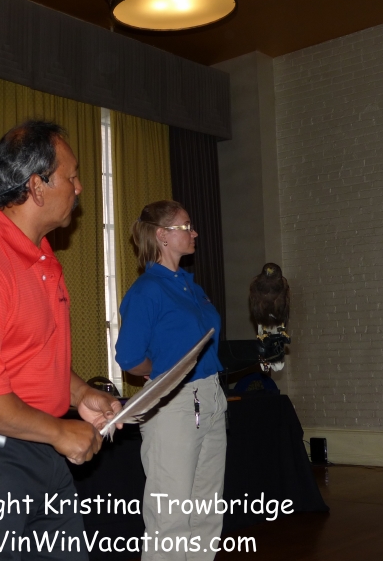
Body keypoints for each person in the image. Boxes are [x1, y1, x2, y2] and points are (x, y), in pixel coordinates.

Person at [0, 120, 122, 559]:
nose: (79, 188)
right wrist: (59, 431)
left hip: (37, 444)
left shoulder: (41, 258)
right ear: (37, 186)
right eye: (72, 176)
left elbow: (31, 355)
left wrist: (80, 394)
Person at [115, 200, 227, 561]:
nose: (195, 233)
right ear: (162, 235)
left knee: (206, 511)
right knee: (171, 517)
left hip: (211, 398)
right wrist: (162, 372)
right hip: (175, 405)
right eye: (186, 226)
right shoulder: (147, 290)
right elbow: (130, 358)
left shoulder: (190, 287)